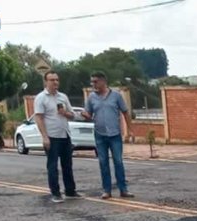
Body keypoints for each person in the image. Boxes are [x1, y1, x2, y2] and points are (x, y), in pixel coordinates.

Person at [82, 71, 135, 200]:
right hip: (100, 134)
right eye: (92, 82)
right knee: (103, 162)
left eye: (95, 81)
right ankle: (107, 190)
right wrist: (85, 115)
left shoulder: (116, 96)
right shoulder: (91, 98)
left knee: (118, 161)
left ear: (103, 81)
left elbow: (125, 112)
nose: (93, 84)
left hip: (114, 134)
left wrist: (130, 129)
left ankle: (123, 189)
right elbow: (89, 115)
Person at [34, 70, 80, 203]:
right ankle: (55, 193)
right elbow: (39, 118)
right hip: (52, 136)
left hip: (65, 135)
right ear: (46, 81)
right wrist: (44, 137)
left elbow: (73, 115)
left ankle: (70, 191)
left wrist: (64, 113)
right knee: (53, 166)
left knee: (67, 165)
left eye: (57, 80)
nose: (55, 82)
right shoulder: (41, 98)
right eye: (52, 80)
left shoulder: (63, 97)